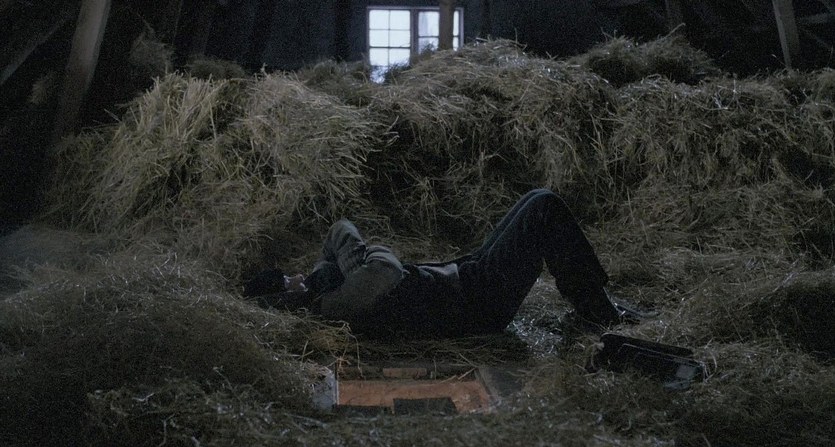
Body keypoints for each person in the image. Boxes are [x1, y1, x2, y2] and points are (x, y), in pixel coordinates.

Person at [244, 189, 644, 338]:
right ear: (287, 300)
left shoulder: (326, 283)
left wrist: (349, 263)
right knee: (544, 208)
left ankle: (591, 302)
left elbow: (338, 229)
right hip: (478, 302)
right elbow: (385, 267)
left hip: (465, 275)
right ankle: (596, 312)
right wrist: (360, 257)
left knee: (533, 197)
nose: (300, 274)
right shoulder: (333, 307)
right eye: (290, 280)